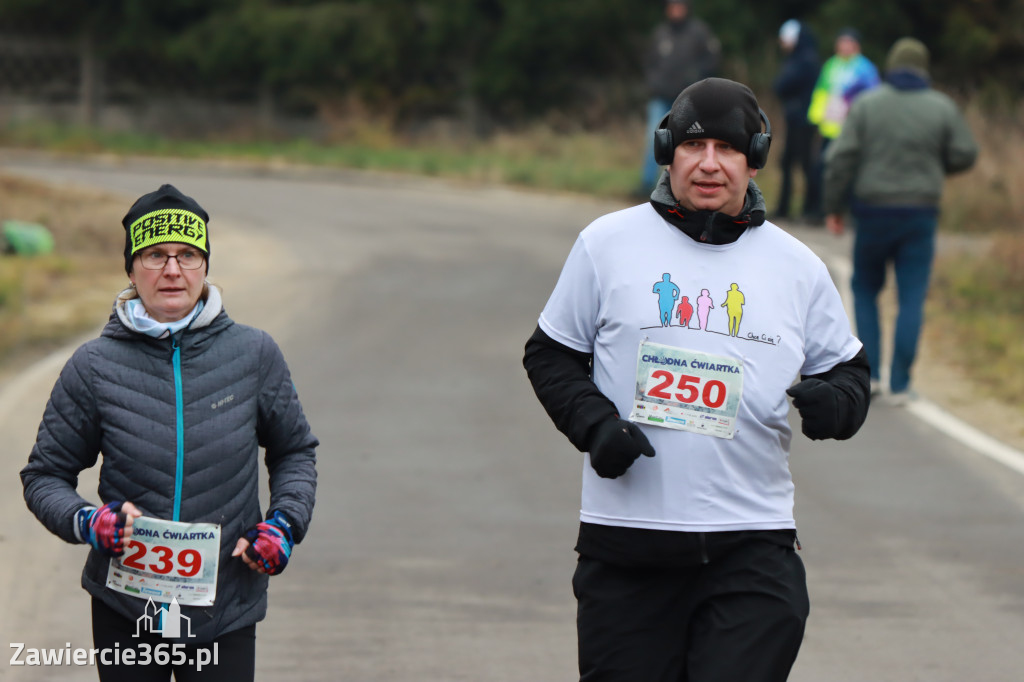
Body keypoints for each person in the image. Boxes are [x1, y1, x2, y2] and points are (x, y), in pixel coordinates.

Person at [523, 77, 870, 681]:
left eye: (728, 149)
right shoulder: (607, 244)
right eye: (693, 146)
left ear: (754, 159)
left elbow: (849, 371)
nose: (710, 164)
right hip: (628, 549)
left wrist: (835, 403)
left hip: (753, 549)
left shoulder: (798, 268)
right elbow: (550, 354)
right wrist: (594, 424)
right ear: (667, 151)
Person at [20, 184, 319, 681]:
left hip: (225, 604)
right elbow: (44, 475)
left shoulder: (254, 354)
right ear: (132, 269)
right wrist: (88, 522)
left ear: (205, 265)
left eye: (187, 255)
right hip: (126, 607)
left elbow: (295, 452)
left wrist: (284, 525)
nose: (173, 270)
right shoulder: (94, 366)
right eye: (155, 255)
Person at [824, 37, 978, 402]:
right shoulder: (941, 107)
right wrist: (938, 164)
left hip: (873, 211)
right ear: (924, 69)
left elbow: (840, 159)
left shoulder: (866, 105)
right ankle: (902, 384)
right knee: (911, 297)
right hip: (920, 213)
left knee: (864, 289)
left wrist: (833, 207)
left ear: (890, 68)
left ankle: (871, 375)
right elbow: (965, 153)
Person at [639, 0, 720, 194]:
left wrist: (696, 79)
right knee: (655, 138)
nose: (675, 10)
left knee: (684, 142)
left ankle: (673, 186)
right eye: (671, 6)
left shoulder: (699, 32)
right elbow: (649, 61)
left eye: (679, 6)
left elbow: (712, 59)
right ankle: (646, 184)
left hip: (687, 99)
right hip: (661, 95)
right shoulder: (661, 32)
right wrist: (654, 81)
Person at [805, 27, 880, 223]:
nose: (843, 46)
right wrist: (815, 119)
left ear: (856, 45)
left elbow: (872, 99)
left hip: (851, 131)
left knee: (851, 173)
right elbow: (821, 92)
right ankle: (823, 211)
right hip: (829, 129)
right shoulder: (831, 65)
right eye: (841, 42)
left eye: (848, 42)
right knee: (823, 171)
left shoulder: (865, 69)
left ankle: (851, 214)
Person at [772, 19, 821, 222]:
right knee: (788, 163)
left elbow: (782, 85)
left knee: (806, 164)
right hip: (795, 119)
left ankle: (813, 210)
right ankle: (784, 208)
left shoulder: (804, 60)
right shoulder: (799, 58)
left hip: (804, 120)